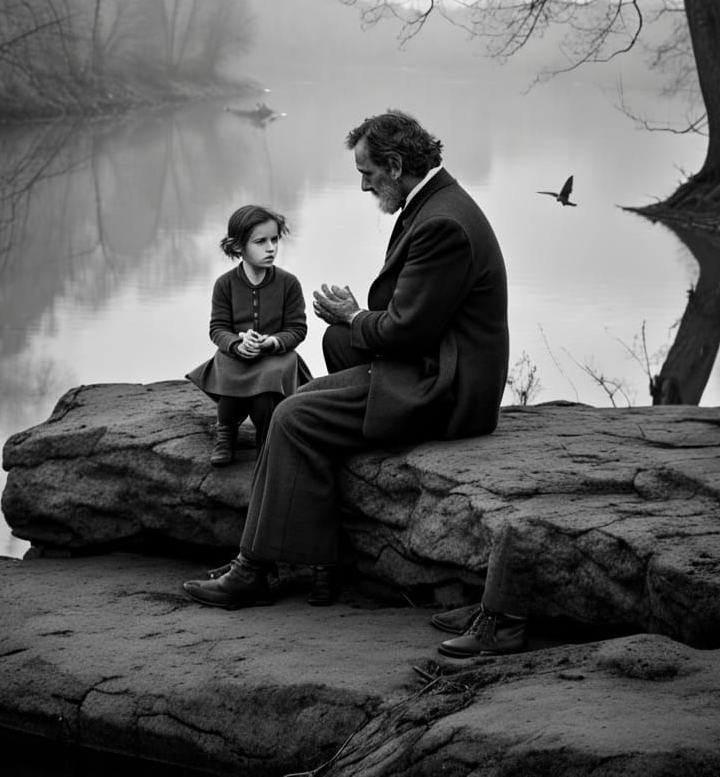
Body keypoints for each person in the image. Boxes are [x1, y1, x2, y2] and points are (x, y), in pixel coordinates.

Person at [185, 111, 524, 648]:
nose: (363, 184)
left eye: (368, 172)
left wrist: (351, 317)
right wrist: (351, 325)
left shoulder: (442, 223)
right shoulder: (436, 203)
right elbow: (409, 317)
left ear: (394, 165)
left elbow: (407, 332)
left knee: (295, 413)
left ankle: (255, 569)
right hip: (432, 363)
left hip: (445, 386)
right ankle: (308, 566)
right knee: (322, 370)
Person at [187, 204, 311, 466]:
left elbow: (298, 329)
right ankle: (226, 434)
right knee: (226, 366)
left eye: (275, 239)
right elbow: (217, 328)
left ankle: (265, 441)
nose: (271, 248)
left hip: (275, 357)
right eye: (260, 241)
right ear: (238, 247)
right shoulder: (225, 284)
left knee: (268, 384)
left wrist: (273, 342)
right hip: (239, 354)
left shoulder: (288, 283)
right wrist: (236, 343)